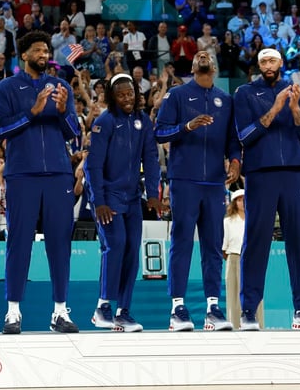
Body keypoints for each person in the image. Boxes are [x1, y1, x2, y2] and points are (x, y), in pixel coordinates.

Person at [0, 30, 81, 334]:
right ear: (25, 55)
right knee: (19, 242)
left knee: (60, 244)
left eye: (46, 51)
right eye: (39, 51)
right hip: (22, 173)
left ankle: (59, 312)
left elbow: (72, 133)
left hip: (58, 173)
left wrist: (63, 111)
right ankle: (13, 312)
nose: (44, 56)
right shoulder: (7, 87)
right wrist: (32, 112)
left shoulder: (61, 86)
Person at [233, 48, 300, 330]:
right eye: (263, 61)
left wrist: (295, 108)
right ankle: (249, 310)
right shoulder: (245, 93)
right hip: (260, 173)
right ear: (259, 65)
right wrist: (275, 109)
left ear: (281, 63)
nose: (268, 65)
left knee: (298, 242)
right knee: (256, 240)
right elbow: (244, 136)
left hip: (294, 174)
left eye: (272, 60)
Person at [154, 50, 241, 331]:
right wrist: (186, 126)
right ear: (193, 66)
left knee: (213, 246)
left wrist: (236, 161)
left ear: (213, 67)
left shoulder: (225, 100)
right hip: (184, 180)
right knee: (181, 242)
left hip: (215, 182)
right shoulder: (178, 95)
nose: (203, 55)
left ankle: (213, 309)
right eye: (198, 55)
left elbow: (232, 139)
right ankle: (177, 308)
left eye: (208, 54)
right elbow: (160, 132)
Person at [84, 73, 161, 332]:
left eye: (130, 93)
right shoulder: (104, 122)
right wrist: (99, 201)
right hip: (109, 197)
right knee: (115, 245)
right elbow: (92, 165)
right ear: (112, 97)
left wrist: (153, 194)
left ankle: (123, 312)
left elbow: (151, 159)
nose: (127, 98)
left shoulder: (143, 122)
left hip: (132, 197)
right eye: (121, 95)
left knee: (131, 252)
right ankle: (102, 307)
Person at [222, 188, 264, 329]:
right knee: (234, 295)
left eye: (245, 199)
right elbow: (224, 247)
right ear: (234, 202)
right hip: (234, 257)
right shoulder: (228, 221)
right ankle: (235, 325)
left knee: (255, 292)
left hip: (253, 260)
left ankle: (257, 323)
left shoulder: (255, 219)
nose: (242, 203)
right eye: (239, 200)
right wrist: (234, 258)